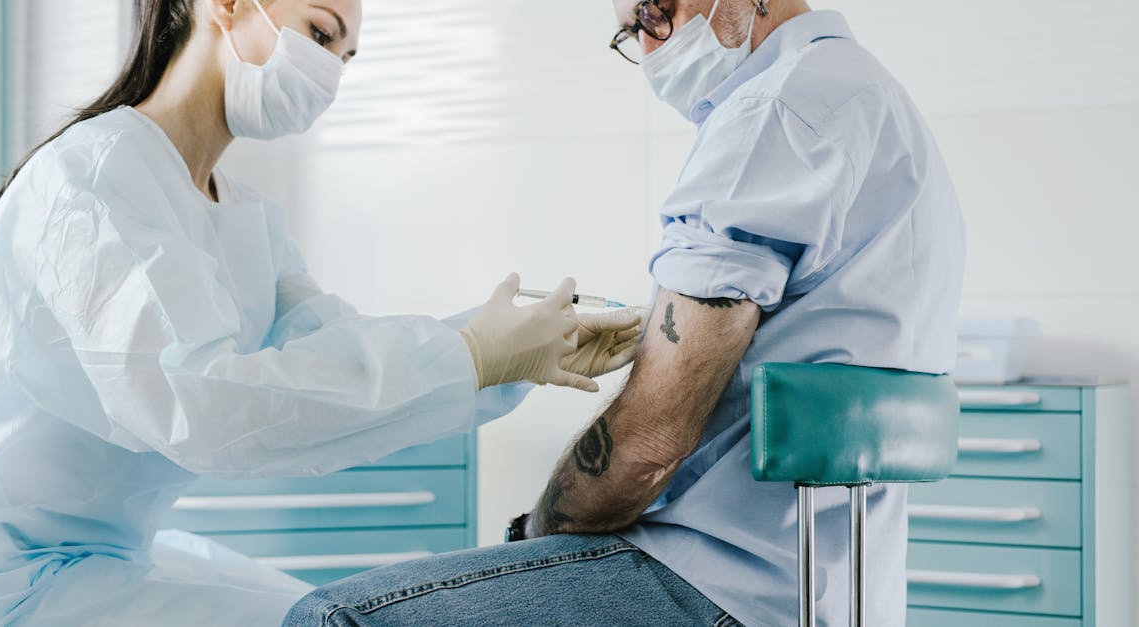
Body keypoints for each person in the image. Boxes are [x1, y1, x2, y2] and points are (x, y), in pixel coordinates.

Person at [0, 0, 643, 625]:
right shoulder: (93, 177)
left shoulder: (243, 217)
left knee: (326, 612)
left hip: (100, 560)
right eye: (321, 33)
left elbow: (333, 342)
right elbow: (200, 403)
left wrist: (510, 349)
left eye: (346, 55)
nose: (332, 72)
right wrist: (471, 354)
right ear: (226, 5)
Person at [284, 0, 966, 625]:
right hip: (839, 588)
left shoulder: (772, 114)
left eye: (655, 12)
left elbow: (645, 445)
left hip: (720, 584)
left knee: (329, 617)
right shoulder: (872, 98)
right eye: (632, 31)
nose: (649, 46)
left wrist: (531, 539)